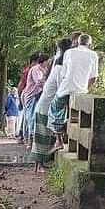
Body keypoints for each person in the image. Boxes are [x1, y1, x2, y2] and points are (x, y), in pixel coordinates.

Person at [48, 33, 99, 151]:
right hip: (81, 91)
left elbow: (64, 74)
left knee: (54, 110)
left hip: (66, 88)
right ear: (90, 44)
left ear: (77, 42)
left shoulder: (69, 53)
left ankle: (59, 140)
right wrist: (85, 88)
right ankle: (68, 138)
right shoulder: (93, 55)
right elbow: (94, 77)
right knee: (76, 116)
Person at [30, 38, 72, 171]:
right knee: (43, 137)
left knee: (43, 137)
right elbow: (61, 90)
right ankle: (39, 165)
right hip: (46, 107)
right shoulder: (60, 69)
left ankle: (39, 165)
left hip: (45, 106)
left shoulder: (56, 67)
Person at [21, 54, 50, 145]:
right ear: (44, 61)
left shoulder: (43, 70)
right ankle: (29, 140)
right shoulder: (36, 69)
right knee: (31, 118)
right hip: (32, 96)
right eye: (47, 61)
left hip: (37, 95)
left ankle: (29, 139)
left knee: (32, 117)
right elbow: (38, 82)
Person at [16, 54, 39, 143]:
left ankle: (22, 135)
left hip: (27, 94)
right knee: (27, 116)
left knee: (26, 116)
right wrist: (20, 97)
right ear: (34, 62)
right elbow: (21, 84)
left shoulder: (29, 70)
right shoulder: (30, 71)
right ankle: (24, 135)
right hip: (27, 94)